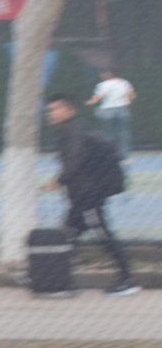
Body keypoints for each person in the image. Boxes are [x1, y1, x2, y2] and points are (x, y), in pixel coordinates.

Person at [44, 93, 137, 296]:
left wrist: (59, 181)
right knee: (66, 236)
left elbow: (74, 161)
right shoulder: (69, 131)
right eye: (49, 110)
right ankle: (50, 277)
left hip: (88, 198)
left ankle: (127, 279)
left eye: (55, 109)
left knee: (103, 236)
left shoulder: (74, 133)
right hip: (80, 197)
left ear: (70, 110)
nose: (51, 113)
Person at [85, 68, 136, 161]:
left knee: (109, 135)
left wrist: (90, 102)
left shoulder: (103, 84)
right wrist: (127, 103)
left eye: (103, 73)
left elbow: (97, 97)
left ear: (108, 74)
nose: (101, 75)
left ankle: (109, 156)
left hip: (108, 111)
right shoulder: (124, 83)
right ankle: (125, 157)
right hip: (122, 110)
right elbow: (132, 96)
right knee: (123, 135)